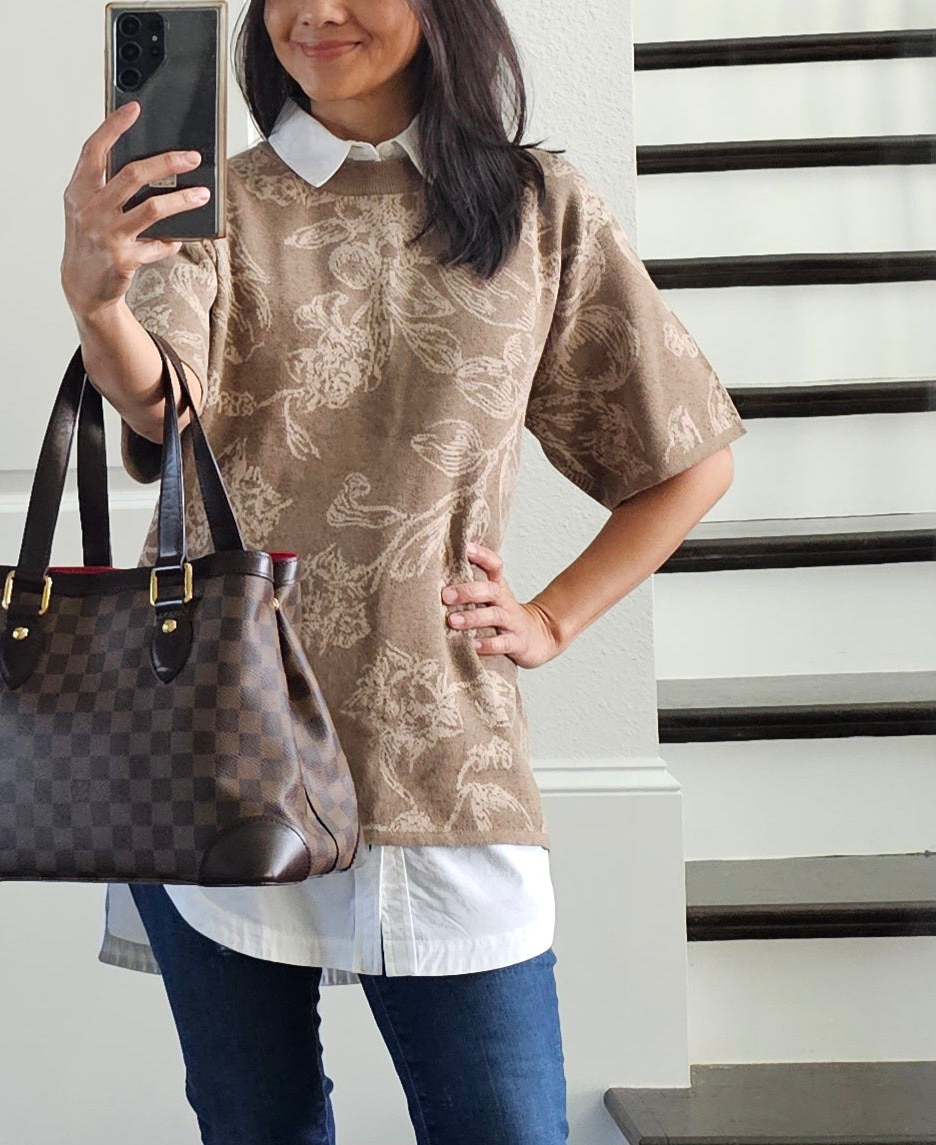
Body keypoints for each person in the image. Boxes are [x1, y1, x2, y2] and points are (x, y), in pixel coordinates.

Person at [61, 2, 748, 1143]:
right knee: (257, 1125)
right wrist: (95, 299)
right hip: (216, 743)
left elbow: (684, 458)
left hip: (442, 756)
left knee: (506, 1122)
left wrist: (554, 617)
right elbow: (160, 402)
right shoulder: (211, 203)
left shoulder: (536, 209)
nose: (314, 14)